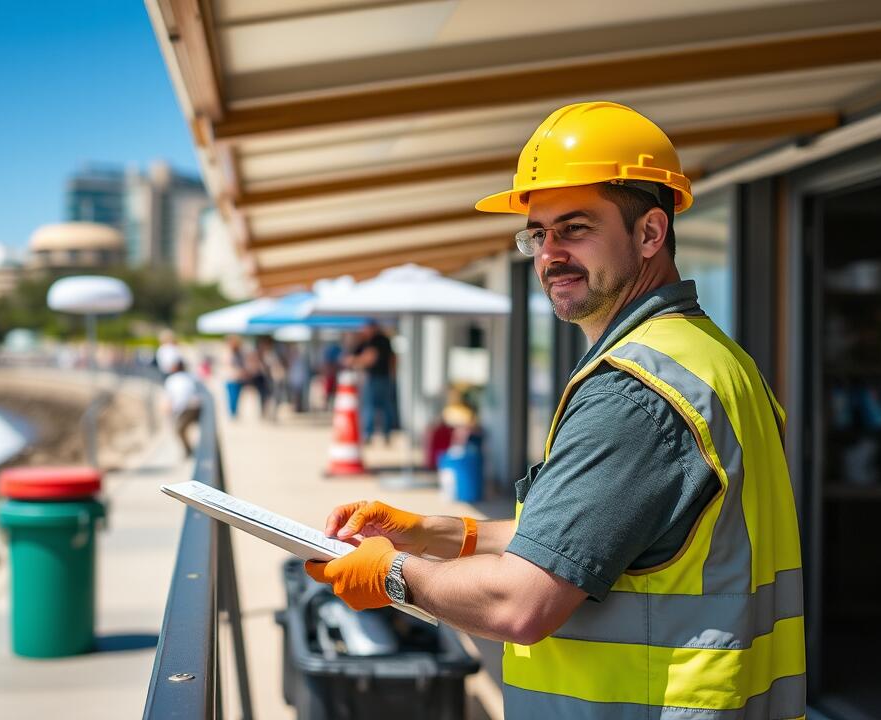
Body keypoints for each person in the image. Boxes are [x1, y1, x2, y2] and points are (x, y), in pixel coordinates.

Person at [305, 102, 804, 719]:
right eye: (538, 234)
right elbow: (588, 538)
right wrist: (432, 532)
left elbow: (521, 603)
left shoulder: (633, 392)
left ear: (650, 232)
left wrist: (395, 574)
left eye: (575, 228)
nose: (549, 255)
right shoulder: (713, 358)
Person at [345, 320, 398, 442]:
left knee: (372, 407)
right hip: (379, 377)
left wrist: (356, 360)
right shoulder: (369, 340)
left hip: (378, 377)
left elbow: (370, 358)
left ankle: (372, 434)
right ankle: (381, 434)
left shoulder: (379, 340)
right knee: (379, 407)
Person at [162, 360, 201, 457]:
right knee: (180, 429)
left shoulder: (171, 380)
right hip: (194, 407)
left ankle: (189, 451)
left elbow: (170, 399)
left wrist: (167, 410)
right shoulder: (191, 377)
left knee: (178, 430)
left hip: (187, 408)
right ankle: (189, 451)